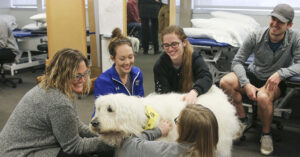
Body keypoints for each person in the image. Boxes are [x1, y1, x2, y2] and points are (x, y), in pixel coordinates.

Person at [219, 4, 300, 156]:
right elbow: (237, 61)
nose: (275, 24)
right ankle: (242, 120)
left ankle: (266, 134)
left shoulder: (295, 37)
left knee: (263, 97)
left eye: (280, 22)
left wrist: (281, 73)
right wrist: (246, 83)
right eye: (273, 19)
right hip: (254, 74)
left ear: (289, 25)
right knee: (225, 82)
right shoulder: (256, 35)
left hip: (274, 81)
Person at [0, 48, 113, 157]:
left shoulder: (58, 87)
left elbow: (74, 123)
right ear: (62, 74)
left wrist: (101, 135)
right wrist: (111, 142)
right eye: (77, 76)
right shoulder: (59, 102)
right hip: (21, 153)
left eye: (85, 73)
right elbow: (73, 146)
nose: (83, 80)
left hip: (25, 146)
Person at [115, 104, 219, 157]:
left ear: (185, 130)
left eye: (177, 120)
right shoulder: (220, 155)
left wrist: (158, 131)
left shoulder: (168, 151)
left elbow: (130, 145)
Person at [153, 25, 213, 104]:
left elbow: (206, 77)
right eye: (166, 45)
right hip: (172, 103)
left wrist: (194, 92)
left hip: (191, 99)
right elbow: (163, 93)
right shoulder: (160, 65)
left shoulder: (194, 57)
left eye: (174, 44)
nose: (170, 49)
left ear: (184, 42)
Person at [93, 28, 144, 117]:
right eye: (122, 59)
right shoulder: (103, 81)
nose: (127, 62)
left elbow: (141, 102)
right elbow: (106, 115)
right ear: (113, 58)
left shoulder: (137, 74)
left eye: (130, 57)